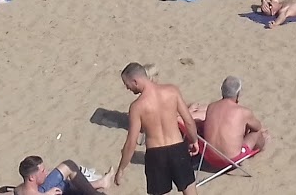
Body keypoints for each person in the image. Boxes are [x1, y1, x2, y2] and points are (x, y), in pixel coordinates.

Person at [113, 62, 198, 194]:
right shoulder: (172, 91)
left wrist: (121, 169)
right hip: (178, 149)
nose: (127, 88)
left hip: (156, 155)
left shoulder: (137, 107)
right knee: (190, 192)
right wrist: (194, 140)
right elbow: (189, 121)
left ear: (135, 81)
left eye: (127, 84)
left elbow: (131, 143)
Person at [199, 77, 269, 168]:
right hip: (230, 160)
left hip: (209, 157)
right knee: (257, 133)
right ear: (238, 93)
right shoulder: (242, 111)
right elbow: (257, 127)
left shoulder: (211, 107)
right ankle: (261, 148)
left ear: (222, 90)